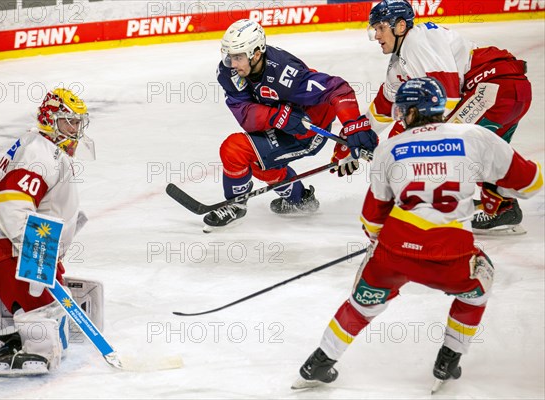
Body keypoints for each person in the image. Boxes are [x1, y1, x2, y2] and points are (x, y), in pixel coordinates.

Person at [292, 77, 543, 390]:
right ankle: (448, 359)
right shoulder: (475, 136)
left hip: (394, 250)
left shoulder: (391, 148)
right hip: (451, 254)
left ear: (410, 113)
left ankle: (319, 362)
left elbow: (372, 219)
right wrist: (492, 194)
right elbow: (532, 183)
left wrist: (379, 248)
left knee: (363, 303)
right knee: (479, 285)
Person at [0, 88, 93, 375]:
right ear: (50, 120)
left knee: (39, 290)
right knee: (44, 306)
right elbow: (12, 203)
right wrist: (39, 259)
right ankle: (36, 347)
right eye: (67, 122)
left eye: (77, 122)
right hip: (3, 249)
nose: (74, 130)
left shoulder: (38, 145)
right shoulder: (40, 153)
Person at [364, 0, 532, 235]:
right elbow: (385, 103)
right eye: (374, 29)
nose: (377, 35)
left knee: (442, 143)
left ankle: (433, 205)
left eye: (381, 28)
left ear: (400, 26)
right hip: (513, 92)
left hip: (493, 89)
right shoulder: (399, 62)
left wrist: (400, 141)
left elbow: (446, 99)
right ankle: (502, 207)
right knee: (481, 153)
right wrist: (359, 134)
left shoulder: (416, 42)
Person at [204, 19, 378, 232]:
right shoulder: (229, 72)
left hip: (309, 129)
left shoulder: (286, 74)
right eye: (229, 56)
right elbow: (244, 112)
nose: (232, 63)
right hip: (281, 123)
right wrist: (278, 116)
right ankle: (299, 199)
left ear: (256, 54)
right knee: (259, 162)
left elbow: (338, 89)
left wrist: (352, 126)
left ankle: (235, 204)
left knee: (235, 149)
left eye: (238, 57)